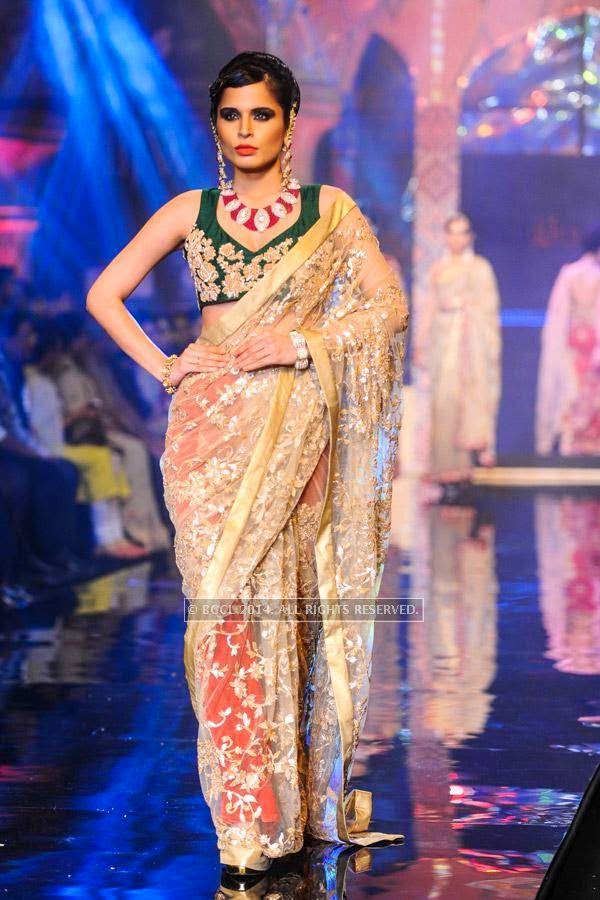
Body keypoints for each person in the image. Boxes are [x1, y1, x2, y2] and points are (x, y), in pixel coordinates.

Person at [86, 51, 409, 889]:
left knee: (285, 622)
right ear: (216, 125)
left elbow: (388, 306)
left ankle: (284, 813)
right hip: (208, 433)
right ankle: (241, 819)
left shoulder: (329, 212)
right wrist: (166, 367)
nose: (245, 131)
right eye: (231, 116)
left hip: (294, 427)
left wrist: (304, 343)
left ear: (290, 120)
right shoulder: (192, 211)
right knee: (223, 619)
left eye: (261, 115)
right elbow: (104, 293)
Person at [413, 213, 502, 484]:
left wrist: (466, 313)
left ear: (470, 237)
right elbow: (429, 305)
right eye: (452, 232)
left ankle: (465, 464)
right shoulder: (438, 268)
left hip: (470, 341)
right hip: (443, 338)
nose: (457, 238)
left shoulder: (480, 267)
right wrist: (420, 341)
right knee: (443, 396)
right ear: (445, 236)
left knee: (468, 394)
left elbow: (489, 307)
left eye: (463, 232)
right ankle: (442, 464)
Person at [535, 224, 600, 457]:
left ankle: (570, 443)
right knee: (584, 391)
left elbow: (558, 312)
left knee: (573, 390)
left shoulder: (569, 272)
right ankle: (581, 443)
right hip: (589, 340)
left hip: (573, 339)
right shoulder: (585, 273)